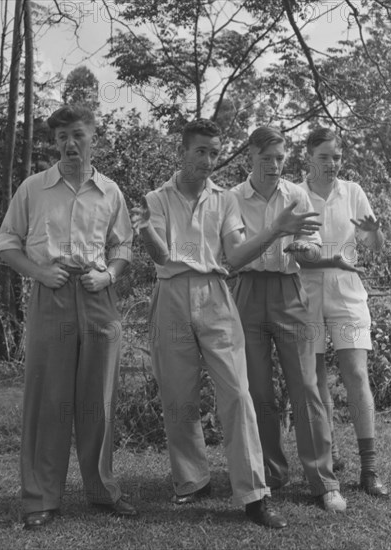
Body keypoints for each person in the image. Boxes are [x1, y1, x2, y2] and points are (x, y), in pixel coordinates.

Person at [132, 119, 321, 528]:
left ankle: (254, 495)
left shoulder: (224, 201)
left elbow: (234, 257)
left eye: (215, 153)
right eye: (200, 151)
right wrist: (146, 231)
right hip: (171, 297)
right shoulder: (156, 199)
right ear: (182, 151)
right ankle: (192, 481)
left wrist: (275, 231)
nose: (208, 161)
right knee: (179, 396)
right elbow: (163, 257)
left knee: (238, 392)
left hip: (217, 296)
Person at [0, 104, 137, 530]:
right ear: (54, 143)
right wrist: (39, 271)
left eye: (78, 135)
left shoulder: (110, 192)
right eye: (61, 138)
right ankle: (41, 498)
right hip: (51, 294)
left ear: (94, 137)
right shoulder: (34, 189)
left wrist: (109, 274)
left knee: (99, 400)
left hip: (97, 296)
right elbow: (5, 242)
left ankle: (102, 491)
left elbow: (123, 246)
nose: (70, 144)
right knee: (48, 399)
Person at [230, 126, 347, 512]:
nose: (275, 166)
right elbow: (234, 258)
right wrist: (276, 231)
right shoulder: (232, 199)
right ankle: (272, 471)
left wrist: (302, 249)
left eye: (281, 159)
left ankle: (323, 480)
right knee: (258, 391)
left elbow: (312, 251)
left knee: (306, 388)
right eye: (267, 159)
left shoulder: (296, 195)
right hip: (247, 294)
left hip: (289, 291)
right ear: (251, 156)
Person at [297, 127, 388, 496]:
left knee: (355, 373)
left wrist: (376, 232)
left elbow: (375, 246)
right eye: (324, 157)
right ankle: (329, 454)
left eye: (337, 157)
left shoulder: (353, 192)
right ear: (308, 157)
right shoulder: (294, 195)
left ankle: (369, 469)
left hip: (348, 294)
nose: (332, 164)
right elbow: (295, 250)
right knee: (316, 380)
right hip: (305, 296)